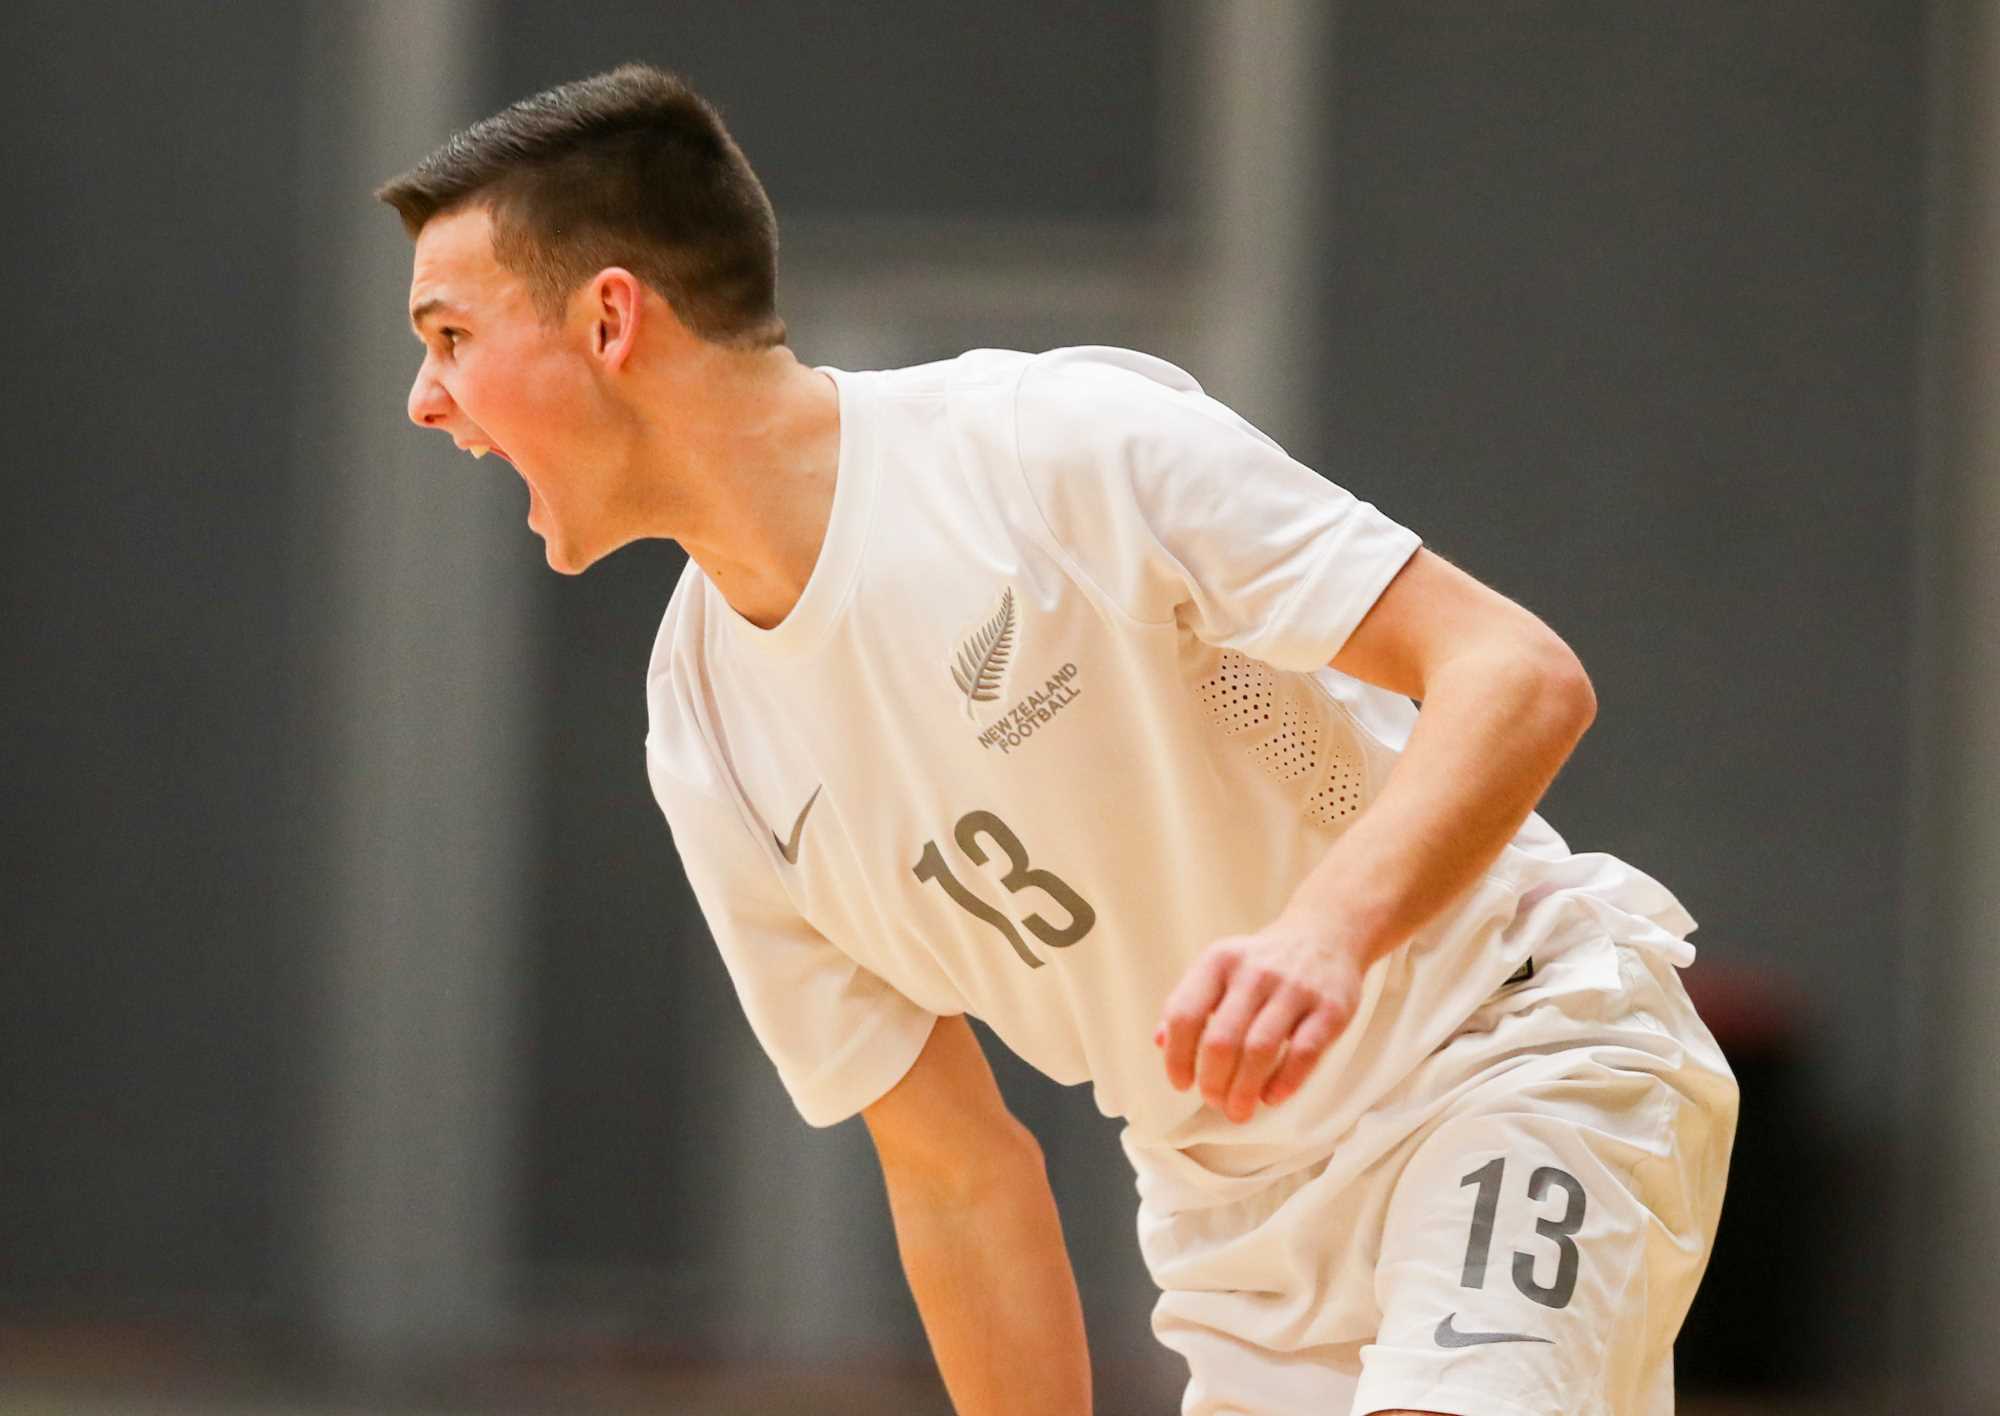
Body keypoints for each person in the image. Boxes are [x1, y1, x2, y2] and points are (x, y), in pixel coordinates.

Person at [379, 62, 1738, 1416]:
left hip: (1510, 1048)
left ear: (611, 319)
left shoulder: (1052, 449)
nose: (426, 401)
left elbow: (1517, 673)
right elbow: (957, 1174)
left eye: (450, 338)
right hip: (1245, 1231)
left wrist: (1326, 932)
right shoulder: (704, 724)